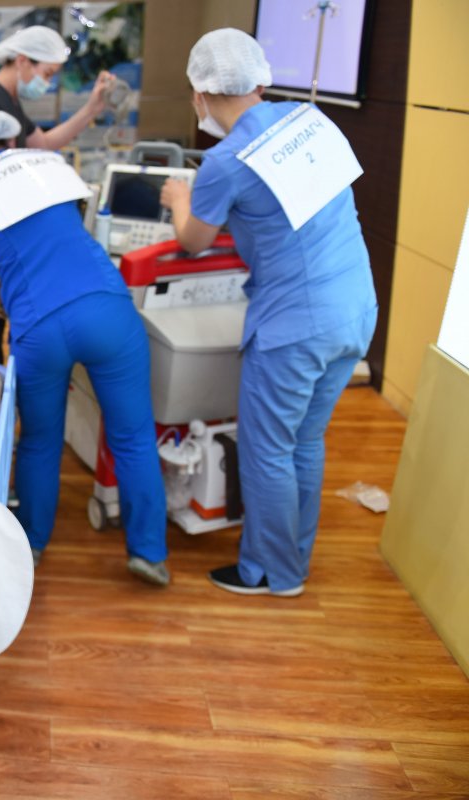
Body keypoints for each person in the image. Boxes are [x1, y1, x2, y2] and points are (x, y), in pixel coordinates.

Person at [159, 29, 377, 597]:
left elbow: (193, 241)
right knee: (305, 441)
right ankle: (290, 561)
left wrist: (181, 200)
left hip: (296, 326)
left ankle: (272, 574)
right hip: (355, 308)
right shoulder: (311, 120)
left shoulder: (224, 161)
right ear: (260, 77)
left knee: (269, 450)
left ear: (200, 92)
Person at [0, 110, 169, 585]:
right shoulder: (48, 163)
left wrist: (1, 297)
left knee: (41, 439)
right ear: (12, 141)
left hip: (39, 323)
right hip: (107, 308)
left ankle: (32, 543)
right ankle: (149, 551)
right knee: (133, 435)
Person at [0, 25, 115, 362]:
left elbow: (43, 144)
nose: (48, 82)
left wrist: (91, 109)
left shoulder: (10, 101)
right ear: (23, 61)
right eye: (47, 73)